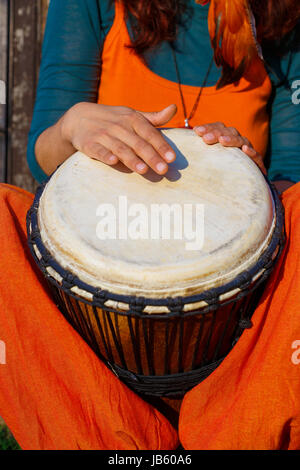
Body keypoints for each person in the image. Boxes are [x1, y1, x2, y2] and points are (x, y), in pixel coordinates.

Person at [0, 0, 300, 449]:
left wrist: (256, 178)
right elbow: (42, 154)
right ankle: (115, 442)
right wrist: (72, 126)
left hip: (238, 316)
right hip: (96, 299)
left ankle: (239, 431)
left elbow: (291, 174)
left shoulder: (282, 14)